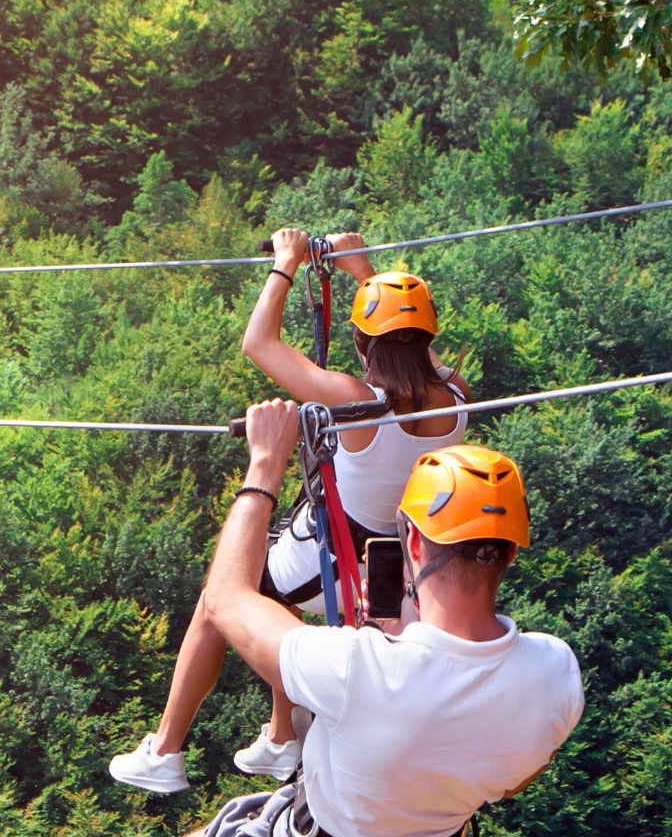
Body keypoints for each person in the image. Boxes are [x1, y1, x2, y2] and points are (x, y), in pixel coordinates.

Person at [0, 400, 582, 837]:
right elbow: (516, 779)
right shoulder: (555, 672)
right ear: (511, 553)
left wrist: (264, 465)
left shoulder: (359, 667)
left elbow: (225, 598)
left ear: (410, 539)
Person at [110, 229, 473, 793]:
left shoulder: (355, 401)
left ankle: (164, 750)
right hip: (392, 563)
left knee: (219, 599)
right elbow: (414, 347)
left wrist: (285, 263)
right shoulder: (457, 396)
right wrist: (363, 272)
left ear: (361, 340)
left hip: (334, 554)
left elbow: (259, 343)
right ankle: (282, 738)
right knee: (281, 602)